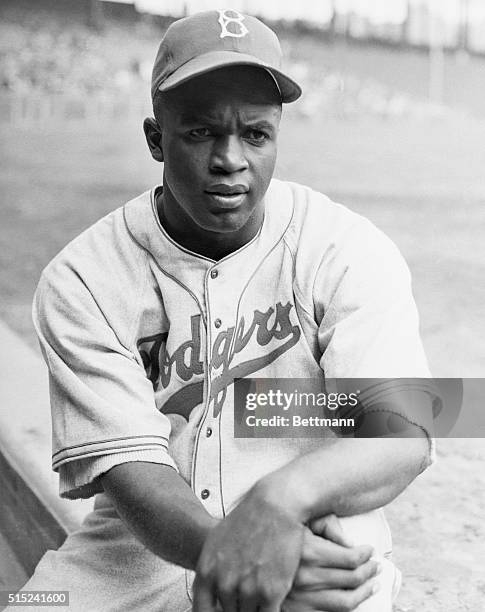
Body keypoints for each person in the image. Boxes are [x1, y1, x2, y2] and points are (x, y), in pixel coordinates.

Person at [15, 9, 436, 612]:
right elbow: (132, 469)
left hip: (315, 528)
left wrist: (279, 500)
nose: (230, 159)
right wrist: (230, 548)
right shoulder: (82, 277)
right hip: (139, 547)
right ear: (156, 139)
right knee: (34, 606)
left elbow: (409, 432)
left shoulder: (344, 246)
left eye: (255, 134)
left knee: (329, 595)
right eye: (201, 132)